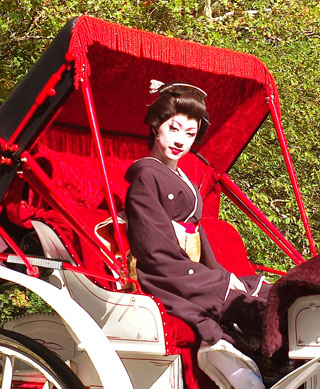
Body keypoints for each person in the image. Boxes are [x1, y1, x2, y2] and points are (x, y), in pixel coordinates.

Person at [124, 81, 281, 387]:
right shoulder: (146, 174)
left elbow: (196, 235)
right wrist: (218, 280)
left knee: (267, 292)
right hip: (167, 273)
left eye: (190, 133)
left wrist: (220, 274)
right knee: (245, 302)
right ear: (156, 126)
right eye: (174, 128)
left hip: (192, 268)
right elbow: (154, 246)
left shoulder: (182, 173)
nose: (180, 140)